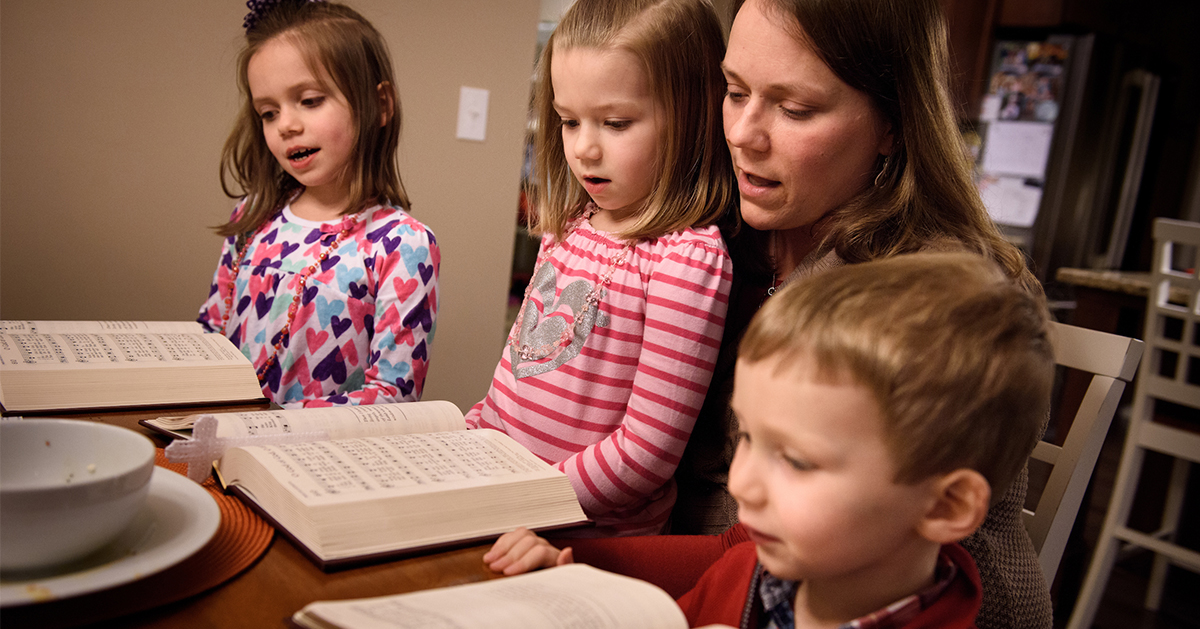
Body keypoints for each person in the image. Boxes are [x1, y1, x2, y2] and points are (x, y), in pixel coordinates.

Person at [668, 1, 1053, 627]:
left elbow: (758, 549)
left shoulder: (932, 290)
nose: (742, 133)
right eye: (735, 91)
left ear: (894, 123)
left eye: (796, 109)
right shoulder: (716, 239)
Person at [485, 252, 1054, 629]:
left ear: (946, 505)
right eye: (750, 438)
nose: (742, 484)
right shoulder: (756, 571)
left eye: (798, 461)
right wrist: (570, 570)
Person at [465, 0, 735, 537]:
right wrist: (473, 434)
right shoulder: (570, 223)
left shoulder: (686, 260)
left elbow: (645, 452)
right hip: (503, 499)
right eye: (569, 121)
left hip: (583, 537)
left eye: (615, 123)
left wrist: (530, 500)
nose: (584, 149)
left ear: (692, 116)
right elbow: (520, 366)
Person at [197, 0, 438, 408]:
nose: (286, 125)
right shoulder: (251, 217)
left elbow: (391, 396)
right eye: (269, 112)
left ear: (380, 105)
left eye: (309, 100)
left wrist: (272, 424)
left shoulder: (402, 244)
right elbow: (210, 329)